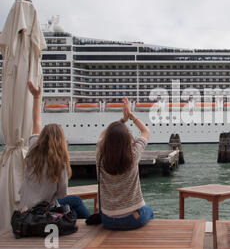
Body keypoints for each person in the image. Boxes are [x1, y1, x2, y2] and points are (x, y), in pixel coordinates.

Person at [18, 81, 89, 219]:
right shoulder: (60, 164)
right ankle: (92, 224)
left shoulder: (33, 148)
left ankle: (89, 222)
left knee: (72, 211)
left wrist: (37, 97)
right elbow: (62, 194)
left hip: (25, 209)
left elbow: (36, 123)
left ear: (42, 137)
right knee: (76, 202)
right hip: (44, 211)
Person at [96, 97, 153, 230]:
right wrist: (131, 116)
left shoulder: (100, 155)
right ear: (128, 139)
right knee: (149, 211)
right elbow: (146, 131)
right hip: (132, 219)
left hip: (107, 219)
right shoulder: (133, 155)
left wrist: (122, 120)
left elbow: (103, 135)